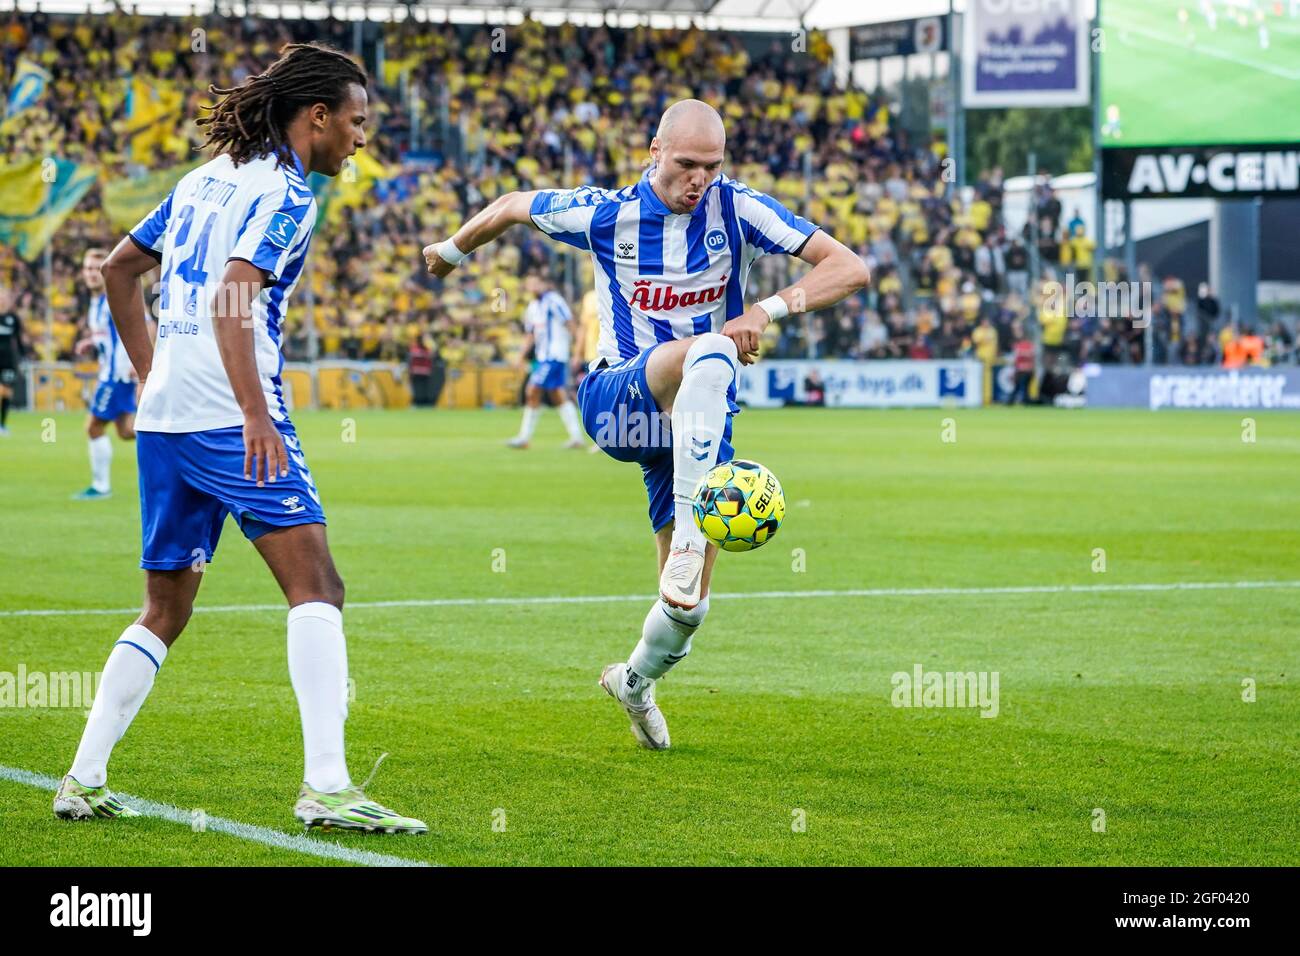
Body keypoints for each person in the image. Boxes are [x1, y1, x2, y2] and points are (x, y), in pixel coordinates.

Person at [53, 42, 424, 834]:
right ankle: (326, 786)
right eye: (356, 123)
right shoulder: (286, 192)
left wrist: (149, 372)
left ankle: (83, 778)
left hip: (165, 424)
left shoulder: (201, 179)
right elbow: (233, 298)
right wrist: (257, 415)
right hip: (231, 419)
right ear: (316, 117)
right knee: (317, 588)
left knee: (164, 609)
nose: (361, 139)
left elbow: (121, 270)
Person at [424, 99, 868, 750]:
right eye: (687, 164)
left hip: (695, 423)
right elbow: (515, 204)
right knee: (714, 349)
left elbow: (849, 267)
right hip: (621, 397)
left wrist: (768, 309)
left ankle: (633, 681)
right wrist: (451, 249)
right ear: (653, 150)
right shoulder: (608, 214)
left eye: (712, 167)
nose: (700, 180)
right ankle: (691, 536)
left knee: (687, 609)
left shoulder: (738, 207)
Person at [72, 248, 145, 500]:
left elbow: (144, 324)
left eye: (96, 269)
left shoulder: (116, 297)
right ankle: (180, 445)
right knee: (127, 431)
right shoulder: (96, 302)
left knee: (93, 427)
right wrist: (91, 341)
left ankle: (101, 486)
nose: (91, 274)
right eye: (87, 269)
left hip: (117, 376)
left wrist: (138, 363)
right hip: (112, 373)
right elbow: (108, 334)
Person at [506, 272, 585, 449]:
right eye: (530, 283)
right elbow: (530, 335)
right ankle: (576, 437)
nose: (533, 287)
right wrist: (520, 356)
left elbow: (571, 324)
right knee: (558, 395)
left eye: (536, 283)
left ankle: (524, 438)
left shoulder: (554, 300)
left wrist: (578, 352)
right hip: (542, 357)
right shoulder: (533, 306)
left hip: (555, 355)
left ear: (544, 284)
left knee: (532, 390)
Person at [0, 286, 26, 436]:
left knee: (7, 393)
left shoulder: (13, 318)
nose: (2, 300)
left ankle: (2, 425)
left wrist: (23, 357)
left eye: (4, 297)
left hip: (8, 360)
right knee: (1, 391)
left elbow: (18, 340)